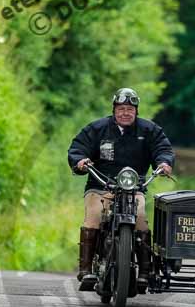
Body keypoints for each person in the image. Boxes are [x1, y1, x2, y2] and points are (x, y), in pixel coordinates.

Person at [68, 87, 174, 288]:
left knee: (141, 218)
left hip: (134, 188)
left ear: (136, 111)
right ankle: (86, 270)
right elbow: (78, 147)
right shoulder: (97, 129)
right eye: (121, 109)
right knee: (94, 216)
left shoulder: (148, 130)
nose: (126, 113)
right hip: (100, 185)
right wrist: (80, 160)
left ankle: (144, 272)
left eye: (130, 109)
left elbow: (163, 148)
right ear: (114, 110)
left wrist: (164, 163)